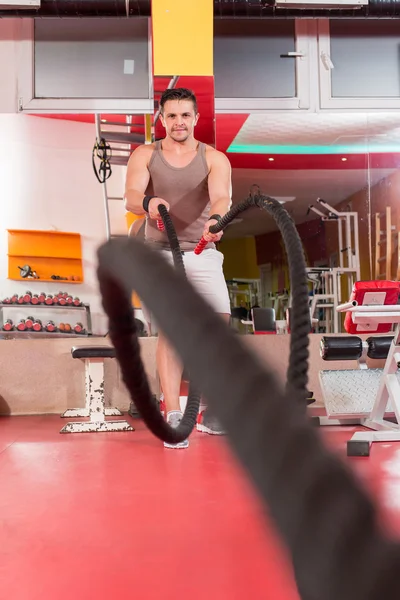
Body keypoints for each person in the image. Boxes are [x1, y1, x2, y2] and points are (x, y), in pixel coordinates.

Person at [124, 87, 232, 449]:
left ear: (196, 118)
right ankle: (173, 413)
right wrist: (147, 201)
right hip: (159, 250)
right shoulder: (146, 153)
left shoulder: (214, 158)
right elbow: (130, 194)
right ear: (162, 118)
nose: (178, 122)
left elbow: (221, 197)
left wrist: (216, 220)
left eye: (185, 115)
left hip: (201, 248)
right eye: (171, 115)